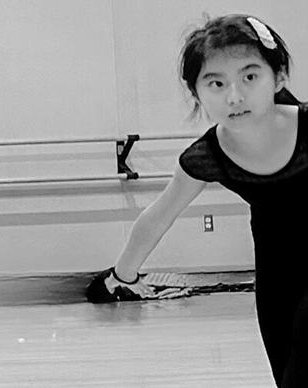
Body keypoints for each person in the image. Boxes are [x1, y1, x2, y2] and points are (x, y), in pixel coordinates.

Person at [91, 14, 305, 387]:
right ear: (197, 93)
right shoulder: (207, 156)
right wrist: (121, 274)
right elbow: (159, 216)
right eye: (216, 83)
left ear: (279, 77)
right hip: (277, 270)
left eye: (250, 77)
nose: (234, 96)